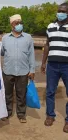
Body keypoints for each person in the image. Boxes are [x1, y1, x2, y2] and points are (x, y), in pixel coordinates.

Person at [1, 14, 35, 123]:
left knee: (22, 94)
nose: (19, 25)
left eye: (20, 22)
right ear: (11, 25)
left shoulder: (28, 37)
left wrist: (32, 70)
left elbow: (31, 55)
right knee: (7, 94)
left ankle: (21, 114)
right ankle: (7, 112)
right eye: (16, 23)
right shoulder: (5, 38)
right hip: (8, 70)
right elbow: (1, 52)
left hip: (23, 71)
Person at [41, 2, 68, 133]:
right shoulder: (50, 26)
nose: (60, 13)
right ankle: (50, 116)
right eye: (59, 10)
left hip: (67, 65)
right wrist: (43, 62)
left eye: (63, 11)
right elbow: (47, 45)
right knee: (50, 91)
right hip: (52, 65)